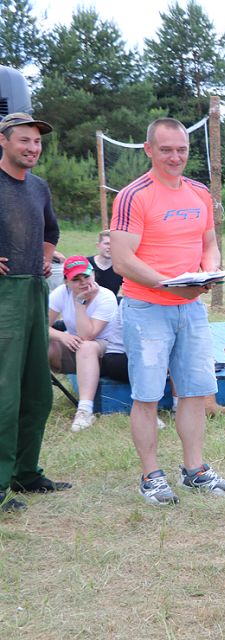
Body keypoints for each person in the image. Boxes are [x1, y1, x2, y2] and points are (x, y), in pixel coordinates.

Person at [111, 117, 225, 506]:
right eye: (166, 149)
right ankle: (151, 476)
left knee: (196, 392)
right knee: (147, 396)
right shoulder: (134, 195)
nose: (175, 157)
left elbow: (209, 242)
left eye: (181, 149)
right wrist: (167, 283)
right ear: (149, 150)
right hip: (146, 307)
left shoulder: (198, 192)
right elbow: (121, 259)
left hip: (191, 307)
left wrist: (208, 270)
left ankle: (195, 471)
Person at [0, 112, 72, 513]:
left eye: (37, 142)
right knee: (4, 392)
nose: (32, 148)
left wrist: (45, 260)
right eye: (24, 140)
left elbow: (51, 232)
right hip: (2, 297)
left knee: (36, 391)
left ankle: (25, 473)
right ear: (3, 141)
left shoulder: (39, 188)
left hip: (32, 291)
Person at [48, 256, 126, 432]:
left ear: (94, 275)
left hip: (107, 348)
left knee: (86, 346)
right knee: (41, 345)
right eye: (76, 279)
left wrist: (80, 303)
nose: (83, 282)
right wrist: (61, 336)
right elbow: (40, 326)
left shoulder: (106, 297)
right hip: (74, 343)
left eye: (86, 276)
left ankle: (84, 410)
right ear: (67, 282)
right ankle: (30, 398)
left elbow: (88, 335)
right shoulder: (61, 292)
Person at [87, 229, 123, 296]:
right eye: (107, 244)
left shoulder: (120, 267)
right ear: (98, 245)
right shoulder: (86, 263)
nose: (110, 247)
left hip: (110, 303)